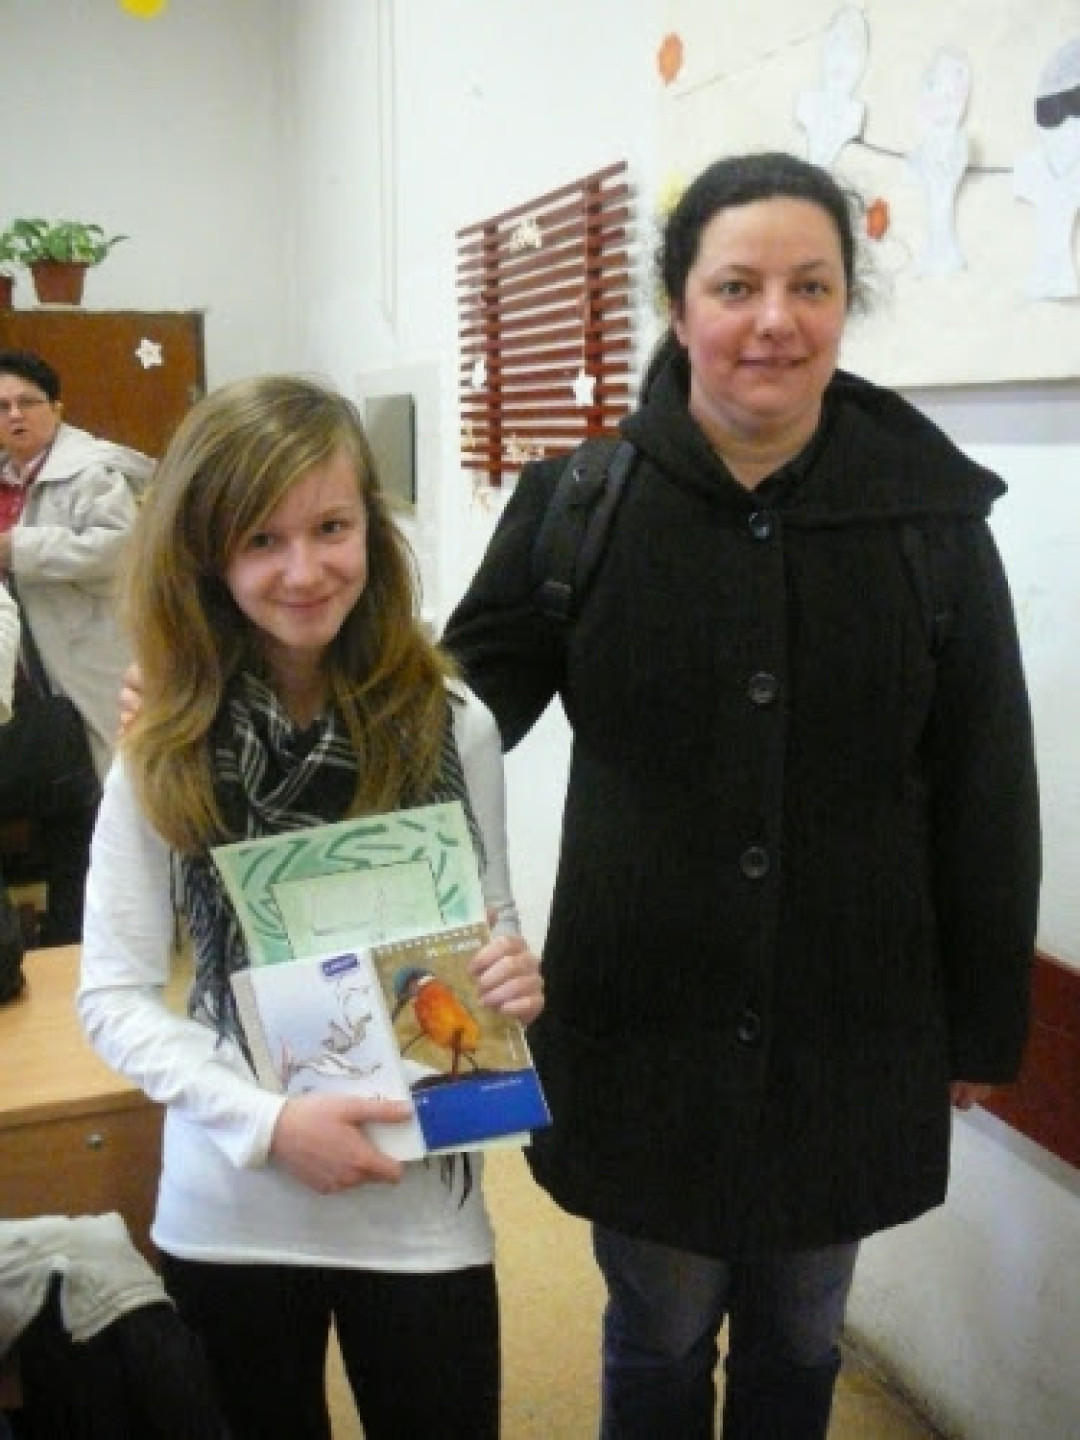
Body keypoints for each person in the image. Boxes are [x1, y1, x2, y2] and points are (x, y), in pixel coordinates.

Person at [443, 151, 1041, 1439]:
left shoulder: (931, 522)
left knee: (801, 1335)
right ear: (679, 304)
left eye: (810, 286)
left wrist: (984, 1026)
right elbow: (437, 725)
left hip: (854, 1019)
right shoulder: (579, 506)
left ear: (845, 304)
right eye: (737, 286)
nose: (776, 319)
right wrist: (232, 688)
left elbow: (987, 786)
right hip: (641, 1015)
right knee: (658, 1332)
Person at [78, 374, 543, 1440]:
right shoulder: (165, 746)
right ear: (207, 556)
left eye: (332, 527)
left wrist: (513, 972)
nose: (304, 570)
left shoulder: (455, 722)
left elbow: (491, 922)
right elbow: (111, 994)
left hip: (420, 1203)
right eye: (261, 540)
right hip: (231, 1205)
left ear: (371, 527)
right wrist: (271, 1123)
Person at [0, 349, 152, 943]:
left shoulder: (89, 472)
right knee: (56, 798)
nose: (15, 416)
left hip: (85, 659)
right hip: (28, 673)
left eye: (27, 403)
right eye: (2, 407)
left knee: (98, 801)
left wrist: (18, 550)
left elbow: (119, 547)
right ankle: (56, 935)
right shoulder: (7, 475)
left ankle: (96, 934)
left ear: (57, 409)